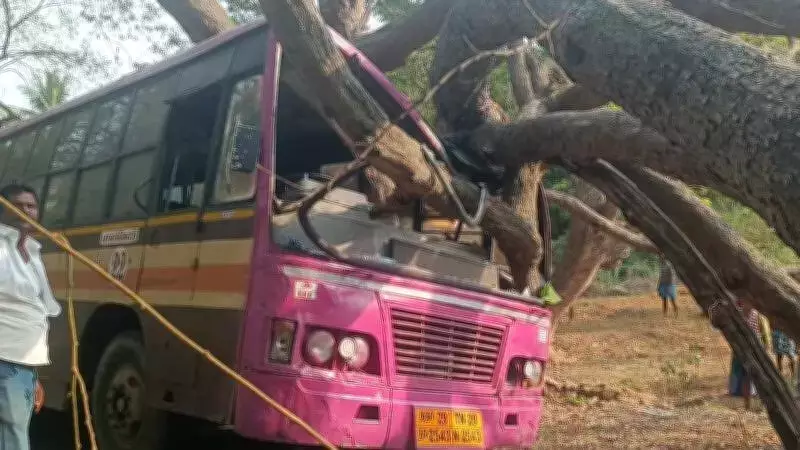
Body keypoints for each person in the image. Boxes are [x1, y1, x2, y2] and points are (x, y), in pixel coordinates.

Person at [0, 184, 61, 450]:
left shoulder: (31, 254)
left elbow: (35, 313)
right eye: (17, 205)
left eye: (31, 206)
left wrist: (33, 378)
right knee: (13, 440)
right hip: (4, 360)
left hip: (20, 365)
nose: (24, 211)